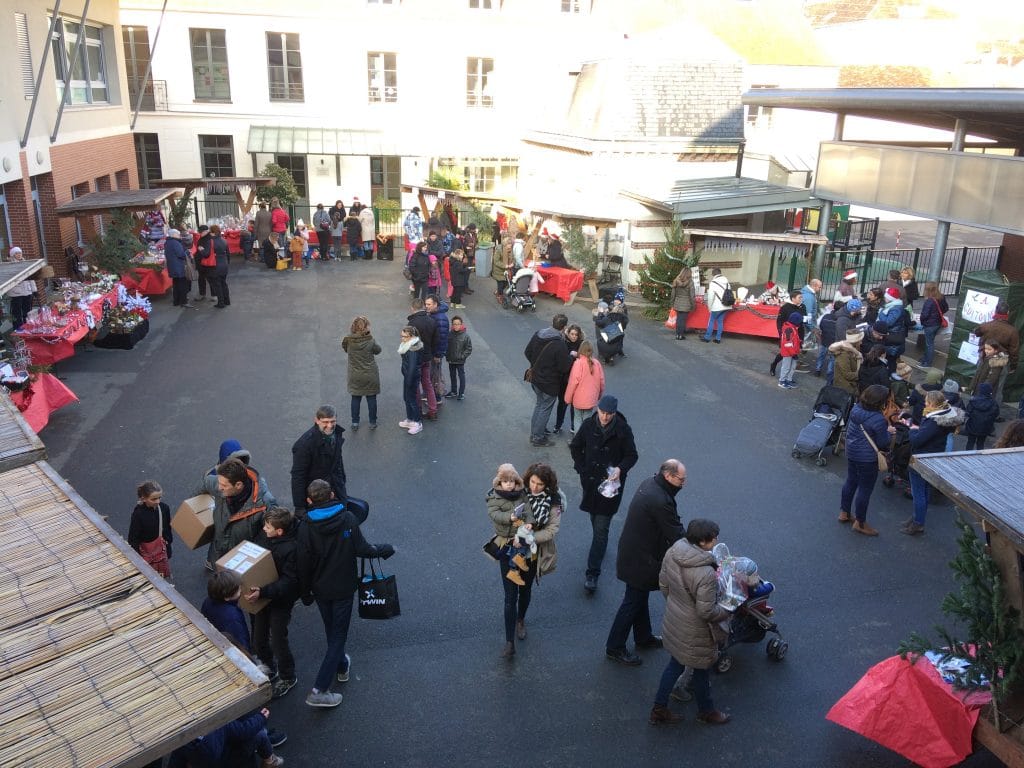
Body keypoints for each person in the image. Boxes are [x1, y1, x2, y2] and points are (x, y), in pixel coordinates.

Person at [297, 480, 394, 708]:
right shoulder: (348, 519)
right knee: (339, 635)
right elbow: (362, 549)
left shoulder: (305, 526)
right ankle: (319, 689)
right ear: (331, 495)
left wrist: (305, 592)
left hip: (320, 588)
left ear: (310, 500)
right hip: (343, 587)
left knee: (331, 629)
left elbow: (302, 563)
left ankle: (341, 665)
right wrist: (385, 550)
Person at [650, 517, 732, 726]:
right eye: (713, 538)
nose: (716, 541)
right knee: (702, 668)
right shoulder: (705, 573)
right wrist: (727, 608)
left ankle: (659, 708)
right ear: (702, 542)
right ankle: (707, 711)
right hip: (696, 629)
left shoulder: (673, 552)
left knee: (675, 665)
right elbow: (706, 611)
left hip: (676, 618)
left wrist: (678, 604)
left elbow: (663, 583)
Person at [605, 460, 687, 666]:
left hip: (635, 554)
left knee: (638, 597)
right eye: (681, 479)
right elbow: (675, 532)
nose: (683, 483)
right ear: (668, 476)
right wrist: (696, 549)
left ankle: (644, 637)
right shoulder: (661, 500)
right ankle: (615, 647)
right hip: (642, 559)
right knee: (632, 601)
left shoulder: (650, 483)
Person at [487, 463, 563, 658]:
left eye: (540, 484)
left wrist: (527, 538)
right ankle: (509, 642)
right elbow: (496, 502)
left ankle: (520, 619)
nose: (535, 487)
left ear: (548, 485)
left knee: (526, 589)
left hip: (532, 552)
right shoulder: (518, 490)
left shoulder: (554, 502)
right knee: (510, 596)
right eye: (532, 482)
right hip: (509, 550)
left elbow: (551, 530)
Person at [569, 394, 639, 592]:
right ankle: (600, 545)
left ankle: (592, 574)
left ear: (615, 413)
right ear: (597, 409)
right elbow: (575, 447)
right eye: (602, 412)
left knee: (601, 529)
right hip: (591, 483)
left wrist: (620, 469)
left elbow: (632, 455)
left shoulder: (623, 430)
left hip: (610, 487)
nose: (605, 417)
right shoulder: (588, 426)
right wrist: (582, 469)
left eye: (609, 414)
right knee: (595, 520)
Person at [247, 506, 300, 699]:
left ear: (279, 531)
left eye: (268, 527)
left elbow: (289, 582)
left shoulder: (291, 549)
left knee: (278, 639)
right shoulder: (267, 538)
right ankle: (270, 669)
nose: (264, 530)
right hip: (263, 595)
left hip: (279, 600)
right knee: (259, 639)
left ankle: (288, 676)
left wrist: (264, 591)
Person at [901, 391, 965, 536]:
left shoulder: (933, 421)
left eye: (926, 401)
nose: (924, 403)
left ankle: (918, 523)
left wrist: (911, 430)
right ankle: (917, 517)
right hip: (932, 456)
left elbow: (917, 440)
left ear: (932, 404)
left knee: (918, 493)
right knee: (924, 491)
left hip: (921, 459)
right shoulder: (945, 417)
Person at [839, 385, 893, 536]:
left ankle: (844, 512)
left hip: (852, 452)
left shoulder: (856, 409)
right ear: (880, 402)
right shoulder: (878, 419)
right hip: (867, 459)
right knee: (865, 489)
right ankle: (860, 523)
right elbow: (883, 443)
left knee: (850, 481)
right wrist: (889, 433)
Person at [167, 708, 284, 768]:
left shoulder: (182, 741)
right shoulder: (217, 723)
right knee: (260, 735)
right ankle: (270, 762)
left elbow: (175, 762)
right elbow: (244, 731)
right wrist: (261, 717)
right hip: (228, 759)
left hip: (206, 762)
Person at [211, 457, 276, 561]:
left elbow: (270, 537)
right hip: (218, 556)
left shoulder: (265, 504)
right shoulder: (222, 481)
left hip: (241, 561)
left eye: (223, 485)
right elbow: (205, 483)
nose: (219, 488)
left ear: (238, 485)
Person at [524, 313, 573, 446]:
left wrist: (536, 365)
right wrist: (571, 357)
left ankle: (535, 432)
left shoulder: (538, 334)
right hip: (549, 383)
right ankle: (537, 437)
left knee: (539, 405)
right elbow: (564, 367)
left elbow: (527, 352)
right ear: (564, 327)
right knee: (545, 408)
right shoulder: (560, 344)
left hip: (535, 378)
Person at [290, 405, 347, 514]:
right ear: (317, 420)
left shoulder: (336, 434)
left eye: (333, 421)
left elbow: (338, 460)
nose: (330, 426)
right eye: (325, 422)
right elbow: (298, 477)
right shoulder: (304, 445)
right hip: (318, 495)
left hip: (337, 488)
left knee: (340, 518)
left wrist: (342, 480)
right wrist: (300, 506)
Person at [342, 316, 381, 430]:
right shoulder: (370, 340)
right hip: (370, 374)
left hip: (355, 374)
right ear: (366, 327)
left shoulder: (348, 340)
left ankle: (355, 422)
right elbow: (378, 350)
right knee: (371, 398)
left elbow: (345, 349)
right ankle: (372, 422)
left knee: (355, 398)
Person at [128, 479, 173, 578]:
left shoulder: (165, 508)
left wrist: (168, 542)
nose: (158, 501)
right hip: (145, 554)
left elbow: (167, 528)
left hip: (160, 552)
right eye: (153, 499)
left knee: (160, 575)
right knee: (149, 577)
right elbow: (133, 538)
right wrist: (138, 557)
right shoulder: (138, 514)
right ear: (143, 499)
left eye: (159, 498)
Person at [408, 298, 440, 421]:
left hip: (416, 358)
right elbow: (436, 340)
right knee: (427, 383)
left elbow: (409, 343)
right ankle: (433, 410)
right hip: (427, 357)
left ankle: (418, 410)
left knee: (416, 384)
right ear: (423, 307)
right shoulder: (432, 321)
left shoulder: (412, 324)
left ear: (412, 308)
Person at [564, 340, 605, 428]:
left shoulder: (578, 363)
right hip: (591, 399)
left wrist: (568, 399)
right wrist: (598, 396)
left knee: (578, 419)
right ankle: (586, 440)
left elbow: (572, 383)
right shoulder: (597, 363)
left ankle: (578, 440)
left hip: (578, 399)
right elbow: (602, 382)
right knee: (587, 421)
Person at [553, 325, 585, 434]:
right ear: (568, 333)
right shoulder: (563, 343)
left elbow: (587, 360)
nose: (574, 336)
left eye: (576, 334)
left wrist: (579, 356)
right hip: (564, 379)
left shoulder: (582, 345)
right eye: (572, 334)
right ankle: (558, 425)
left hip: (576, 380)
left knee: (574, 405)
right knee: (562, 403)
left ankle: (573, 426)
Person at [770, 291, 805, 377]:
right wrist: (781, 333)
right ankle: (774, 365)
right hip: (788, 334)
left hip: (799, 332)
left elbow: (804, 318)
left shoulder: (802, 307)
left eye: (801, 297)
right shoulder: (785, 307)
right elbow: (779, 321)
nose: (801, 299)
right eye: (799, 297)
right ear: (793, 298)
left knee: (795, 351)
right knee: (783, 353)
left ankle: (788, 376)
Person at [398, 325, 424, 435]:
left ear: (412, 336)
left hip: (411, 377)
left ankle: (417, 423)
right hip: (408, 376)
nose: (402, 338)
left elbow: (412, 367)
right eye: (401, 336)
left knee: (412, 399)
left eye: (405, 336)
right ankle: (409, 419)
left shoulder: (413, 349)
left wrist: (408, 380)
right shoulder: (407, 345)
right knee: (406, 398)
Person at [918, 282, 948, 368]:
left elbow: (924, 315)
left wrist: (922, 321)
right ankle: (925, 359)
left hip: (930, 325)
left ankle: (927, 363)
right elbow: (946, 308)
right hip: (937, 323)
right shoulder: (941, 297)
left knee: (929, 344)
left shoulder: (929, 301)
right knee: (930, 342)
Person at [962, 382, 1000, 451]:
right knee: (981, 444)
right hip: (985, 428)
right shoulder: (994, 403)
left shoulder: (973, 401)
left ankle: (967, 456)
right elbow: (996, 415)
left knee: (970, 442)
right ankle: (979, 457)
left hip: (972, 426)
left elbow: (967, 412)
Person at [444, 315, 472, 400]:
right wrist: (446, 354)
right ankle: (453, 391)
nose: (456, 326)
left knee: (461, 376)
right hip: (451, 360)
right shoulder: (449, 334)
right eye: (454, 324)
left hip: (460, 361)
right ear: (452, 325)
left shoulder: (466, 336)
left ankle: (461, 393)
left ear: (461, 324)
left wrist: (462, 356)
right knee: (452, 376)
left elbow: (469, 348)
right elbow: (446, 345)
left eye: (458, 324)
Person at [594, 299, 629, 366]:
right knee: (617, 338)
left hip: (606, 345)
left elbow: (598, 322)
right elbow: (626, 318)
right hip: (617, 346)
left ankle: (607, 357)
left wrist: (600, 313)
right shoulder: (623, 321)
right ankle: (613, 356)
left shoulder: (607, 318)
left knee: (600, 340)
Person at [701, 268, 732, 344]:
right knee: (720, 322)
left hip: (717, 306)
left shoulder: (713, 283)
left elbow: (710, 297)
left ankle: (707, 337)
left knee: (711, 321)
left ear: (713, 274)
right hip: (727, 305)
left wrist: (709, 307)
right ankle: (718, 339)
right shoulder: (727, 282)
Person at [830, 329, 864, 396]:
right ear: (855, 342)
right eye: (860, 341)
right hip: (844, 390)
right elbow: (847, 375)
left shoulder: (855, 351)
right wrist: (862, 374)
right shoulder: (843, 355)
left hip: (850, 387)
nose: (861, 343)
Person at [164, 230, 193, 308]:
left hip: (173, 267)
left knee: (176, 284)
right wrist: (187, 253)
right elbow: (181, 254)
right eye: (178, 234)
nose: (179, 235)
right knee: (182, 284)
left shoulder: (167, 242)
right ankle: (183, 301)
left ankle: (176, 301)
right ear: (173, 234)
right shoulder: (175, 243)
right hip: (179, 267)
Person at [777, 311, 803, 390]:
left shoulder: (792, 328)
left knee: (792, 367)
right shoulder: (789, 329)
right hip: (788, 353)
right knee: (786, 367)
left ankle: (788, 379)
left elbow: (793, 340)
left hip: (793, 352)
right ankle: (782, 381)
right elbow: (787, 343)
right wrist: (793, 353)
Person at [816, 300, 840, 380]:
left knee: (821, 355)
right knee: (832, 358)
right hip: (834, 342)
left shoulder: (826, 316)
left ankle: (818, 369)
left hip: (824, 340)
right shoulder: (840, 320)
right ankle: (829, 373)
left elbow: (821, 326)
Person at [671, 267, 696, 340]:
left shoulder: (676, 280)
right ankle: (681, 335)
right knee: (683, 320)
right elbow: (692, 295)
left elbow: (673, 293)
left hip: (677, 303)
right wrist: (693, 306)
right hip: (686, 303)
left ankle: (677, 335)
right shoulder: (690, 282)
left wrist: (672, 303)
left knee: (679, 319)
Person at [209, 224, 230, 309]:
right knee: (224, 283)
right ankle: (227, 300)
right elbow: (228, 254)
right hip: (224, 264)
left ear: (212, 232)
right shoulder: (224, 240)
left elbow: (208, 254)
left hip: (216, 264)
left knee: (217, 285)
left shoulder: (211, 242)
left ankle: (221, 303)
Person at [194, 225, 215, 301]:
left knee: (210, 279)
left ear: (206, 231)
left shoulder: (208, 239)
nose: (200, 233)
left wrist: (201, 250)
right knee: (202, 279)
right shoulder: (203, 238)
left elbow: (206, 253)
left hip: (207, 263)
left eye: (201, 232)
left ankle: (214, 295)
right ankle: (202, 294)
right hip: (201, 263)